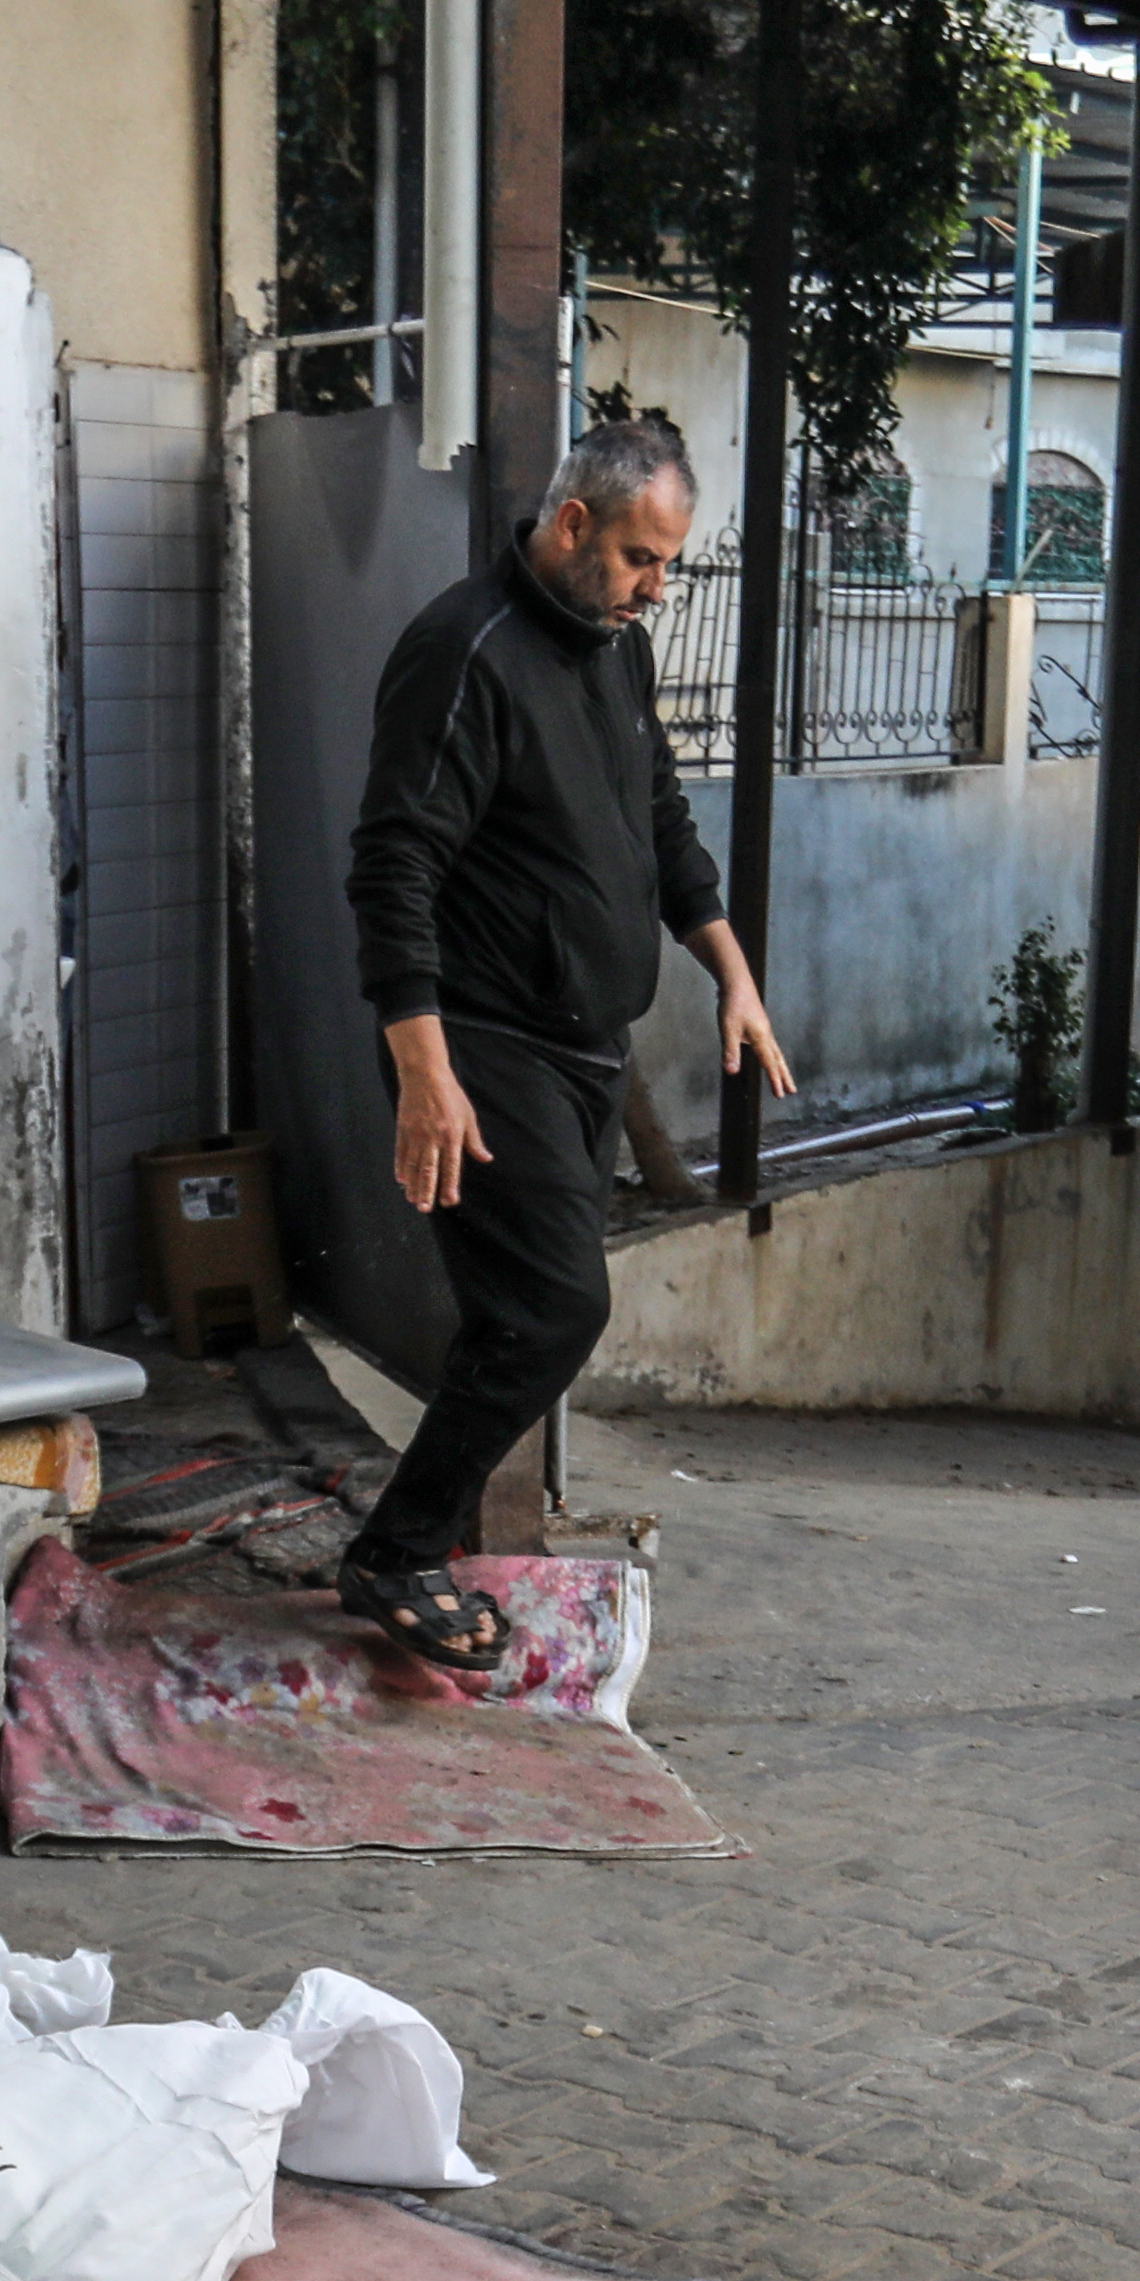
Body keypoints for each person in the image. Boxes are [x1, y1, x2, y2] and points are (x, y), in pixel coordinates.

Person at [339, 413, 791, 1668]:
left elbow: (661, 820)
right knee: (553, 1309)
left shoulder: (611, 649)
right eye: (644, 559)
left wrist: (730, 975)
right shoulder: (462, 653)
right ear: (575, 524)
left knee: (516, 1315)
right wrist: (422, 1074)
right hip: (483, 1046)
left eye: (671, 565)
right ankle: (395, 1548)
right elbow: (393, 869)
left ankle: (421, 1547)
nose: (657, 588)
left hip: (584, 1048)